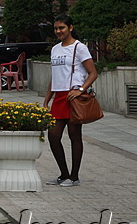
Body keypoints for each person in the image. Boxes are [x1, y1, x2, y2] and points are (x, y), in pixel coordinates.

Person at [42, 14, 98, 188]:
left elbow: (93, 73)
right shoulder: (55, 49)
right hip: (59, 97)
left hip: (74, 97)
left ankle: (74, 177)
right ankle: (63, 174)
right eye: (56, 28)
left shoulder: (79, 47)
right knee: (53, 135)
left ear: (70, 28)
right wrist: (47, 99)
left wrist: (81, 89)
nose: (58, 31)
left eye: (62, 28)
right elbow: (55, 76)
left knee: (75, 136)